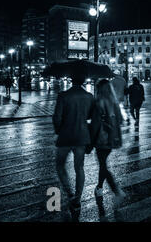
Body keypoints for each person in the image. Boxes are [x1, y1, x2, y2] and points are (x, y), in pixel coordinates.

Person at [52, 72, 94, 220]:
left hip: (65, 135)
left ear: (71, 80)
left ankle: (69, 192)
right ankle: (77, 198)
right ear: (83, 81)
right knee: (79, 168)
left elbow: (57, 116)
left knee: (60, 165)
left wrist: (59, 130)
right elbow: (90, 116)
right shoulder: (89, 96)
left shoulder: (63, 95)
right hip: (82, 136)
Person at [90, 79, 126, 209]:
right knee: (103, 163)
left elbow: (95, 124)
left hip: (101, 138)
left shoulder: (98, 101)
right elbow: (121, 120)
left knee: (103, 165)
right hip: (113, 138)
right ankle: (99, 187)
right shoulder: (114, 101)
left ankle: (116, 191)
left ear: (99, 89)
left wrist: (91, 140)